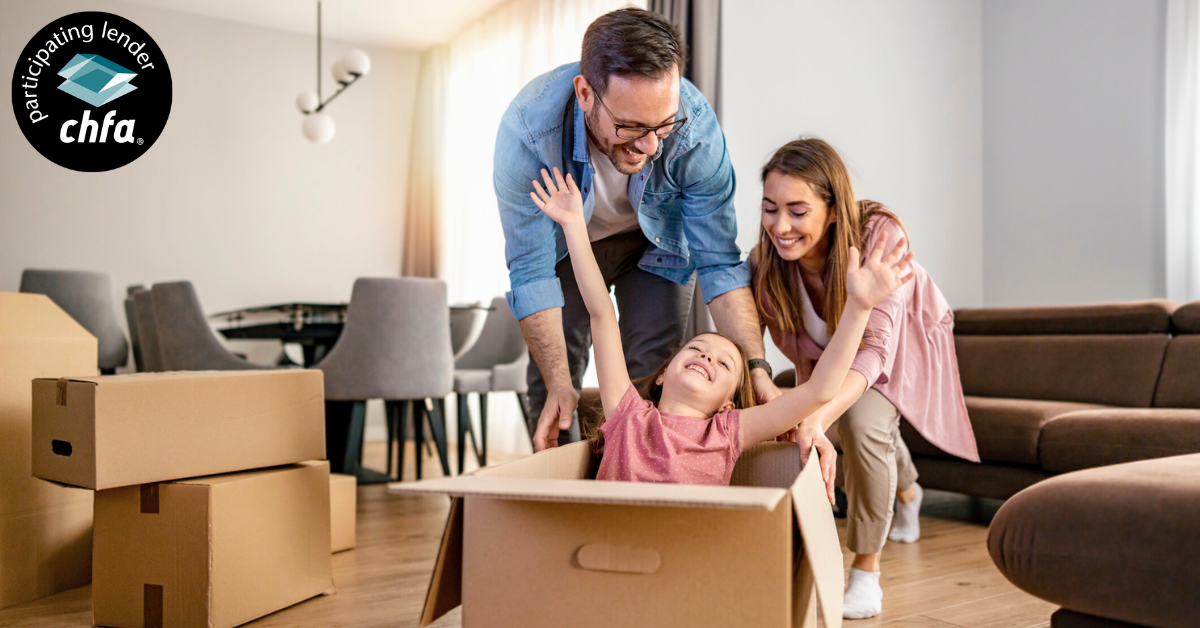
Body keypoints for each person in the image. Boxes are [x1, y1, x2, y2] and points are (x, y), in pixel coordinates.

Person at [494, 8, 775, 452]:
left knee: (655, 375)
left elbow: (719, 261)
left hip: (657, 244)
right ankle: (562, 502)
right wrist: (560, 384)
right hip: (567, 246)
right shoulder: (528, 136)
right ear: (585, 94)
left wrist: (756, 365)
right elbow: (532, 273)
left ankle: (641, 495)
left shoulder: (696, 130)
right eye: (630, 127)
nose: (650, 146)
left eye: (663, 125)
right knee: (556, 386)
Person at [529, 165, 913, 488]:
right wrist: (574, 226)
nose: (707, 356)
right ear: (661, 376)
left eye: (725, 364)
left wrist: (859, 306)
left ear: (728, 403)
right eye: (695, 349)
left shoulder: (728, 432)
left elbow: (819, 390)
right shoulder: (627, 414)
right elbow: (601, 314)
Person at [749, 138, 980, 619]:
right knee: (833, 424)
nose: (780, 226)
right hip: (833, 354)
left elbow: (875, 349)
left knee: (861, 423)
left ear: (833, 210)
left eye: (798, 211)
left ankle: (867, 572)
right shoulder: (768, 261)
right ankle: (908, 490)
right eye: (770, 209)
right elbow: (803, 352)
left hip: (898, 341)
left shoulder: (880, 237)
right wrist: (809, 411)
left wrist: (821, 413)